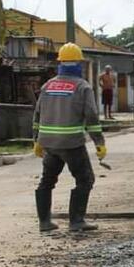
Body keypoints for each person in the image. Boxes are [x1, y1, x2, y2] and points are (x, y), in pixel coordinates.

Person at [33, 43, 107, 233]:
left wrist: (36, 141)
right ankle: (76, 221)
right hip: (71, 143)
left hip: (49, 143)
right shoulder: (82, 86)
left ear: (60, 63)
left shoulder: (47, 85)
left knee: (47, 181)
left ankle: (44, 222)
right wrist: (99, 143)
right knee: (85, 179)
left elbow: (37, 114)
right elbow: (91, 116)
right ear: (79, 64)